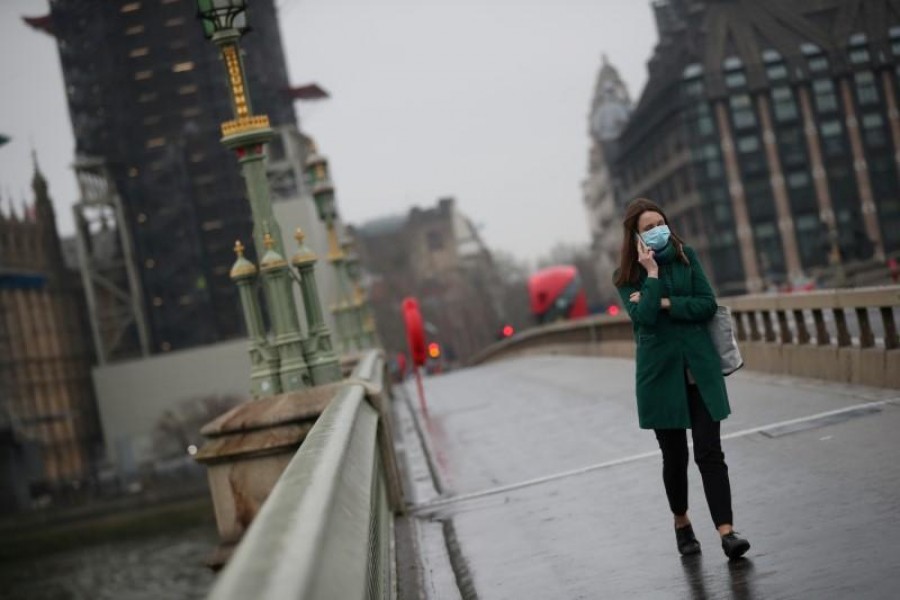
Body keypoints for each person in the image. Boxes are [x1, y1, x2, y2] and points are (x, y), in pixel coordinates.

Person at [613, 198, 750, 560]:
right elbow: (642, 317)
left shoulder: (687, 256)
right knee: (674, 458)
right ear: (635, 237)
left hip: (699, 371)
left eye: (661, 222)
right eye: (648, 226)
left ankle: (727, 531)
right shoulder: (626, 278)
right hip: (660, 378)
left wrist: (668, 304)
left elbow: (706, 302)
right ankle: (682, 522)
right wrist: (653, 277)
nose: (658, 230)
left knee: (710, 452)